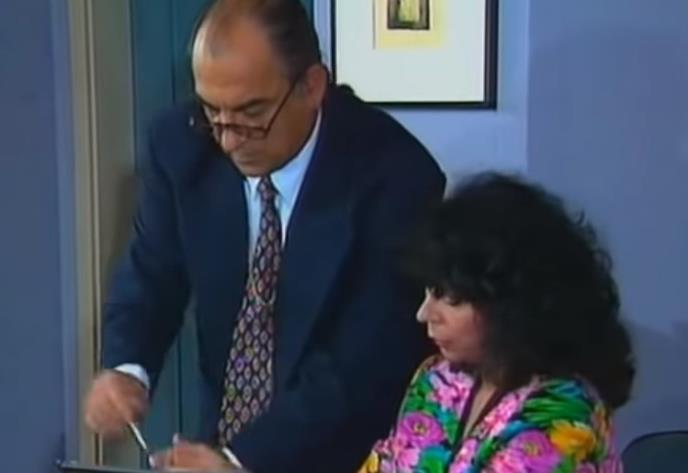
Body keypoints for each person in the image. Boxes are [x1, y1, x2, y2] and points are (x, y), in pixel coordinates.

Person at [83, 1, 445, 473]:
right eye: (211, 110)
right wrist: (126, 368)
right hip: (222, 444)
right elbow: (152, 274)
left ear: (312, 86)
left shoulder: (396, 176)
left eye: (251, 112)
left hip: (346, 456)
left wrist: (241, 460)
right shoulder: (180, 146)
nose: (229, 140)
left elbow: (363, 360)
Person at [356, 172, 635, 472]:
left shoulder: (561, 412)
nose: (424, 314)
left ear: (509, 305)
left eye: (449, 297)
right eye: (429, 290)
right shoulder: (437, 381)